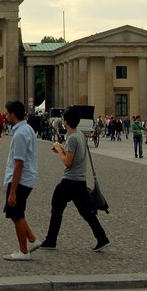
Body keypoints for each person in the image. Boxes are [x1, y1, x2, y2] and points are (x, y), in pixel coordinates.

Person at [37, 108, 110, 252]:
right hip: (80, 180)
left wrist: (59, 149)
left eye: (64, 119)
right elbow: (74, 156)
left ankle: (51, 240)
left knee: (57, 208)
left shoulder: (72, 138)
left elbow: (67, 162)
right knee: (86, 212)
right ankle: (102, 238)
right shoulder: (80, 135)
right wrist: (62, 149)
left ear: (66, 122)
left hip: (70, 180)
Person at [1, 100, 41, 261]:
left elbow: (19, 164)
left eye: (7, 113)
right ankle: (32, 239)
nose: (5, 115)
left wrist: (12, 192)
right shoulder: (27, 129)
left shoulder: (19, 134)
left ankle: (24, 251)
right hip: (27, 177)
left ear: (12, 114)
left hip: (21, 179)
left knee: (16, 214)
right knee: (15, 213)